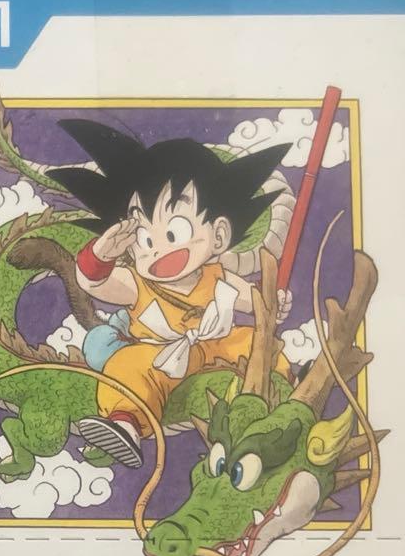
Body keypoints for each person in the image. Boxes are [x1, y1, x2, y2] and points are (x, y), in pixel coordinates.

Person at [52, 119, 293, 468]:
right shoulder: (137, 283)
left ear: (219, 236)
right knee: (128, 365)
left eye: (174, 233)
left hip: (217, 346)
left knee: (258, 343)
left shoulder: (218, 277)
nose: (157, 249)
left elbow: (257, 303)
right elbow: (93, 283)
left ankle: (285, 396)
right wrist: (100, 255)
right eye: (144, 239)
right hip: (159, 355)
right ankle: (125, 424)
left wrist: (274, 306)